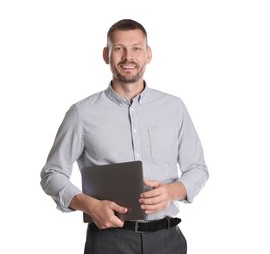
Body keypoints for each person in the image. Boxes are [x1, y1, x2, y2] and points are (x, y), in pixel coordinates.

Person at [40, 19, 209, 254]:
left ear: (148, 54)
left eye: (136, 48)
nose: (128, 57)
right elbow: (52, 173)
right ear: (106, 54)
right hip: (109, 242)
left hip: (168, 241)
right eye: (119, 48)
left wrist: (173, 191)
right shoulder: (81, 113)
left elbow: (198, 168)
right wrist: (88, 205)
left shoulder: (174, 107)